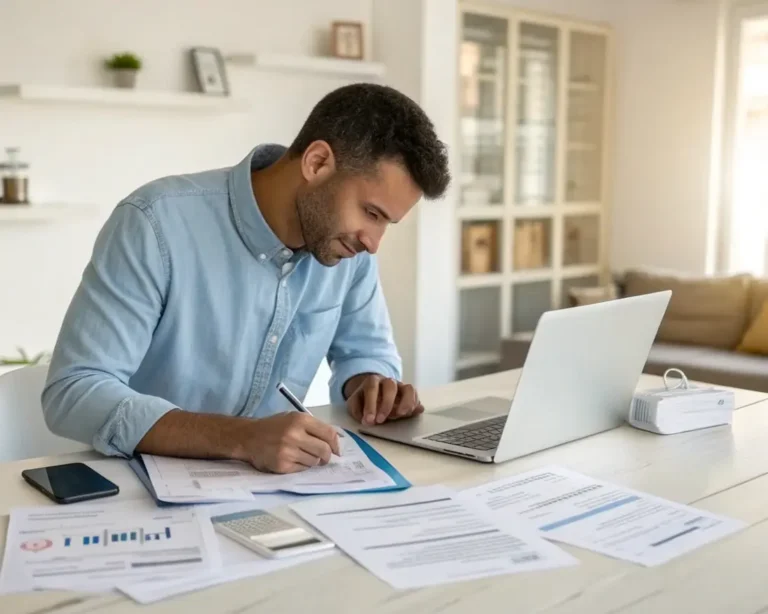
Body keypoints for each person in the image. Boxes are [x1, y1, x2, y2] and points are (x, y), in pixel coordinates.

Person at [42, 83, 451, 474]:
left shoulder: (346, 248)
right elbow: (75, 391)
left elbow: (365, 351)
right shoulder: (156, 222)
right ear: (317, 163)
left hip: (282, 491)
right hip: (143, 490)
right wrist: (242, 438)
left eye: (387, 224)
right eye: (371, 213)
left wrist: (371, 386)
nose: (373, 242)